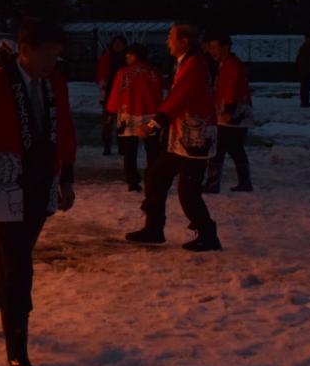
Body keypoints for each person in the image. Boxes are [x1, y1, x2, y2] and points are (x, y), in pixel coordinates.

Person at [0, 18, 77, 366]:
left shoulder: (56, 84)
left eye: (57, 56)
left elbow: (65, 129)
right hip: (5, 182)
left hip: (40, 183)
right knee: (19, 266)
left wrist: (66, 178)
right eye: (48, 55)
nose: (53, 63)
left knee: (14, 258)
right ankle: (17, 349)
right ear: (25, 50)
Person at [127, 22, 220, 251]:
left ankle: (207, 234)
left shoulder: (194, 64)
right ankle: (154, 228)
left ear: (184, 41)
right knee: (156, 177)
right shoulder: (187, 62)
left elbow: (179, 97)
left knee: (188, 190)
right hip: (182, 137)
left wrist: (152, 123)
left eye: (171, 37)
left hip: (195, 138)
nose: (167, 42)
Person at [105, 43, 162, 192]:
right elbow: (159, 95)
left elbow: (116, 94)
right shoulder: (153, 72)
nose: (126, 58)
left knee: (129, 151)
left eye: (128, 55)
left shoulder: (123, 73)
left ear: (134, 55)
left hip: (126, 114)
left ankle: (133, 181)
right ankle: (152, 179)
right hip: (151, 114)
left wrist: (111, 112)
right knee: (153, 150)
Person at [204, 34, 254, 193]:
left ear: (225, 47)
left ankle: (213, 184)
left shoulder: (231, 65)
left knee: (219, 149)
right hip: (235, 113)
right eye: (210, 47)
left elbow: (231, 89)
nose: (212, 51)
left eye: (214, 47)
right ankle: (244, 182)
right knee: (235, 149)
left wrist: (229, 110)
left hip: (232, 114)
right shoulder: (226, 64)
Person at [95, 35, 129, 156]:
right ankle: (107, 146)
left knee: (121, 122)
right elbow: (101, 75)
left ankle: (121, 146)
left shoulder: (126, 59)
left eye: (120, 44)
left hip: (122, 96)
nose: (117, 46)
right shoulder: (108, 58)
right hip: (109, 95)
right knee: (108, 122)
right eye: (116, 44)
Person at [295, 33, 310, 108]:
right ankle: (304, 102)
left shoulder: (308, 46)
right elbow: (302, 59)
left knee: (306, 87)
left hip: (307, 69)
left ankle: (305, 102)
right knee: (305, 87)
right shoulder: (307, 47)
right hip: (306, 69)